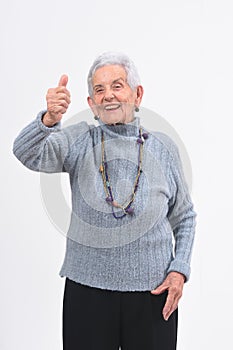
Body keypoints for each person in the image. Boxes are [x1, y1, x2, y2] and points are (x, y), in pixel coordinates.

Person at [13, 52, 196, 350]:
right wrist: (49, 120)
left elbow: (185, 216)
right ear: (91, 104)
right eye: (99, 90)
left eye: (117, 85)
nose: (108, 95)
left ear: (137, 94)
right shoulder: (78, 141)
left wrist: (179, 270)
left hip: (153, 293)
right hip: (87, 293)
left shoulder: (164, 147)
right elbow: (25, 152)